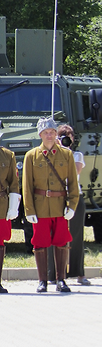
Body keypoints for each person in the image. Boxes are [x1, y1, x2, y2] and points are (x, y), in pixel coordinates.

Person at [23, 117, 80, 293]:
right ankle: (43, 281)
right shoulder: (31, 156)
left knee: (61, 242)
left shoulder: (66, 155)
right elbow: (27, 186)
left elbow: (73, 183)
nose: (50, 135)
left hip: (60, 206)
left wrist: (72, 205)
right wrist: (29, 209)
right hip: (40, 207)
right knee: (40, 244)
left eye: (53, 132)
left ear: (56, 134)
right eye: (46, 132)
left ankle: (61, 279)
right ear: (40, 134)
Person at [0, 119, 21, 294]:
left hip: (0, 205)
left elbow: (14, 184)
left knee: (0, 243)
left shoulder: (8, 155)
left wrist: (13, 206)